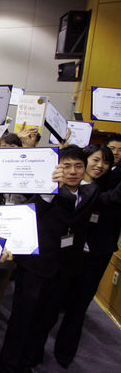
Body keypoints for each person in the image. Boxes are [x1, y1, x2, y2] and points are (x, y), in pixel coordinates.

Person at [0, 145, 99, 372]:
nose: (72, 171)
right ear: (58, 169)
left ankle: (30, 360)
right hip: (36, 267)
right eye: (66, 166)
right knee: (21, 320)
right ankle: (9, 365)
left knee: (46, 320)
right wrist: (49, 189)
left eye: (78, 166)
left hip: (65, 270)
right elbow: (30, 212)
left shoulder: (89, 193)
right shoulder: (45, 192)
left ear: (85, 169)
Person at [52, 144, 121, 367]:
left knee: (79, 307)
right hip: (67, 255)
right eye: (95, 160)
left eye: (106, 161)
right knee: (54, 304)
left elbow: (108, 199)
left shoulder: (107, 189)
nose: (100, 166)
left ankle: (65, 352)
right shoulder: (68, 187)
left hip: (96, 255)